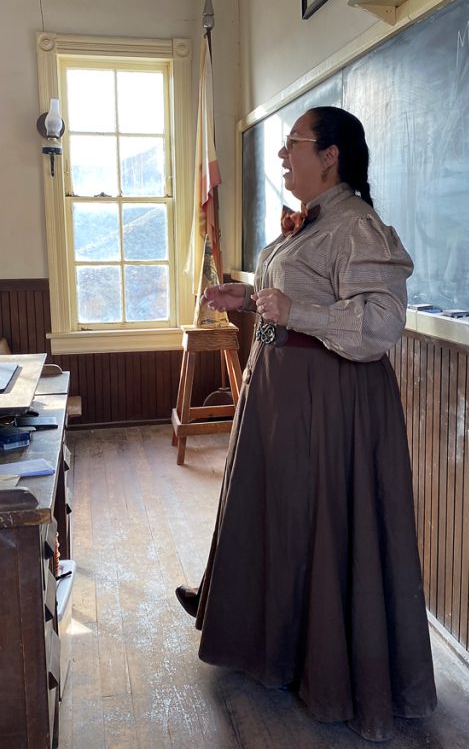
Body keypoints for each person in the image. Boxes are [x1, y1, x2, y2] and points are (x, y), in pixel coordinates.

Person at [177, 106, 437, 741]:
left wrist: (299, 312)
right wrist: (250, 300)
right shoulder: (309, 225)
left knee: (319, 520)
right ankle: (267, 637)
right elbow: (297, 299)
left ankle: (324, 663)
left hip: (332, 405)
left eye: (293, 145)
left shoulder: (359, 227)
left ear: (331, 156)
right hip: (281, 393)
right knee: (280, 513)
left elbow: (380, 326)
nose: (282, 156)